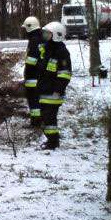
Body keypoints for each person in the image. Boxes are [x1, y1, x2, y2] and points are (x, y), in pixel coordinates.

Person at [37, 22, 72, 150]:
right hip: (44, 90)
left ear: (57, 35)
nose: (45, 36)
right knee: (45, 118)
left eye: (48, 34)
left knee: (49, 118)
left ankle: (53, 142)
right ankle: (51, 140)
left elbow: (65, 74)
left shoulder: (62, 52)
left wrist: (58, 90)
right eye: (45, 33)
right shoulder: (47, 49)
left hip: (53, 93)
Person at [21, 16, 44, 128]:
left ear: (30, 27)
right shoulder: (42, 38)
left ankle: (36, 122)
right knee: (39, 100)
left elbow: (31, 60)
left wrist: (27, 74)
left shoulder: (34, 40)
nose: (25, 30)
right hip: (41, 75)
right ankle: (40, 120)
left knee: (33, 100)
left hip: (33, 76)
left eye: (26, 28)